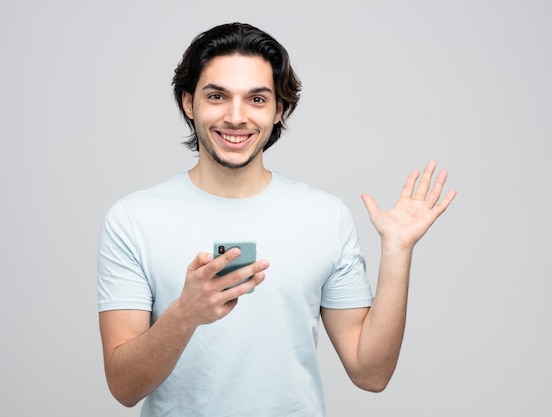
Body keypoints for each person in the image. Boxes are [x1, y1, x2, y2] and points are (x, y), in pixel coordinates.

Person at [97, 22, 457, 417]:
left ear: (278, 109)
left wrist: (398, 251)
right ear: (188, 102)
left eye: (256, 99)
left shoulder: (325, 217)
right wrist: (185, 313)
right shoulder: (134, 218)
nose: (236, 117)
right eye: (217, 96)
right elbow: (123, 386)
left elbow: (370, 373)